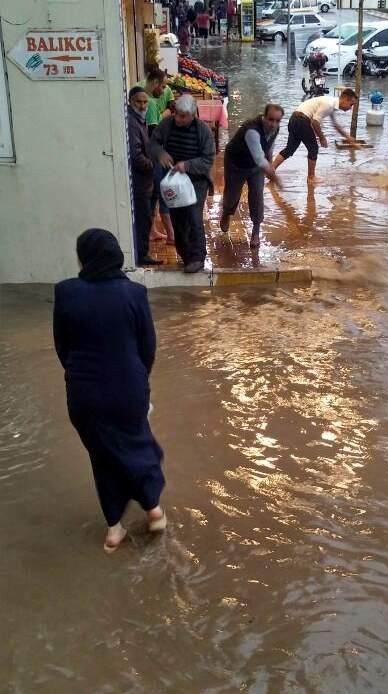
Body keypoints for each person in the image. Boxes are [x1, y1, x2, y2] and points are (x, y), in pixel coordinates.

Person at [53, 229, 166, 553]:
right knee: (139, 446)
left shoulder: (66, 292)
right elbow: (148, 348)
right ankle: (152, 508)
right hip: (127, 389)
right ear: (116, 255)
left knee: (102, 455)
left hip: (83, 393)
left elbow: (63, 347)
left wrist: (79, 377)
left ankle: (114, 529)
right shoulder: (134, 294)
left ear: (84, 257)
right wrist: (139, 381)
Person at [150, 94, 215, 273]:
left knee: (193, 217)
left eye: (183, 116)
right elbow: (154, 142)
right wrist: (160, 153)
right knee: (177, 218)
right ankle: (185, 256)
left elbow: (208, 159)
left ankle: (198, 257)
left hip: (197, 181)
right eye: (177, 114)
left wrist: (187, 165)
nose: (178, 118)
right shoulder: (167, 125)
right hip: (174, 181)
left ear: (193, 115)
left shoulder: (203, 131)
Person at [220, 104, 284, 248]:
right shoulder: (252, 131)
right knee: (232, 195)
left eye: (277, 121)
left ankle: (256, 231)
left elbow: (268, 150)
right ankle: (226, 212)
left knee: (257, 194)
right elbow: (259, 158)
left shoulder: (276, 129)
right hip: (236, 162)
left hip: (255, 166)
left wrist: (270, 164)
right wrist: (274, 176)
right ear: (264, 117)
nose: (273, 124)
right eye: (271, 120)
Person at [273, 89, 359, 180]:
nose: (350, 108)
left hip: (294, 119)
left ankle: (271, 169)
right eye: (351, 104)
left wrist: (349, 138)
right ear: (345, 99)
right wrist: (322, 137)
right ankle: (311, 178)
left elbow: (336, 126)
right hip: (301, 120)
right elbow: (315, 122)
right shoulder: (329, 104)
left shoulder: (331, 104)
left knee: (289, 149)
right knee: (313, 148)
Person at [136, 68, 176, 246]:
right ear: (155, 83)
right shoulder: (151, 103)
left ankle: (151, 231)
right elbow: (154, 133)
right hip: (154, 157)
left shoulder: (139, 91)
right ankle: (172, 235)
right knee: (163, 192)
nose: (165, 90)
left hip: (147, 156)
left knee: (153, 195)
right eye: (164, 85)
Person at [127, 86, 163, 267]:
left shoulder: (139, 120)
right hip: (141, 181)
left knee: (147, 217)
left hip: (146, 180)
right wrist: (152, 166)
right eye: (138, 102)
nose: (142, 105)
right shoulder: (132, 122)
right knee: (143, 219)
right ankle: (142, 255)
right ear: (130, 102)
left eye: (144, 102)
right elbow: (135, 155)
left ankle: (143, 252)